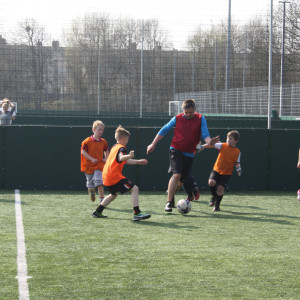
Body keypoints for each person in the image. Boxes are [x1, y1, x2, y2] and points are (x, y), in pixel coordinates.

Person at [147, 98, 219, 212]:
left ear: (195, 109)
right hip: (176, 150)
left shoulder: (201, 119)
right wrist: (153, 144)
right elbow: (164, 129)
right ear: (183, 111)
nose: (189, 115)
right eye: (186, 113)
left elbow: (205, 134)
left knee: (181, 181)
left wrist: (210, 142)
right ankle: (169, 202)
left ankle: (170, 193)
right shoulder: (177, 118)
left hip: (190, 153)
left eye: (191, 112)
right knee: (176, 175)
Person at [92, 125, 151, 221]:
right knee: (135, 189)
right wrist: (129, 155)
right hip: (114, 176)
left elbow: (123, 160)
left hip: (106, 176)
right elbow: (121, 158)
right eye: (127, 139)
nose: (127, 142)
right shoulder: (121, 148)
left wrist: (138, 161)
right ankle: (137, 213)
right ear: (123, 138)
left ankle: (98, 211)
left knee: (113, 194)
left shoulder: (114, 147)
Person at [199, 130, 241, 212]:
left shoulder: (237, 152)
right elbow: (211, 145)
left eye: (231, 139)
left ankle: (217, 206)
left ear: (236, 141)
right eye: (227, 138)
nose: (228, 140)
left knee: (220, 189)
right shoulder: (222, 145)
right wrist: (202, 146)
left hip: (226, 173)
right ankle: (214, 196)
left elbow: (237, 163)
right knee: (211, 182)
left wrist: (239, 168)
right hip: (217, 169)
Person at [81, 120, 109, 203]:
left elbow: (106, 150)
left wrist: (106, 158)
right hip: (88, 166)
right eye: (99, 129)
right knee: (90, 184)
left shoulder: (103, 142)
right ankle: (92, 192)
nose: (101, 132)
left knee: (99, 183)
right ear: (94, 129)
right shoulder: (87, 141)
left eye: (102, 130)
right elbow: (83, 152)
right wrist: (91, 159)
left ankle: (102, 201)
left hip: (99, 165)